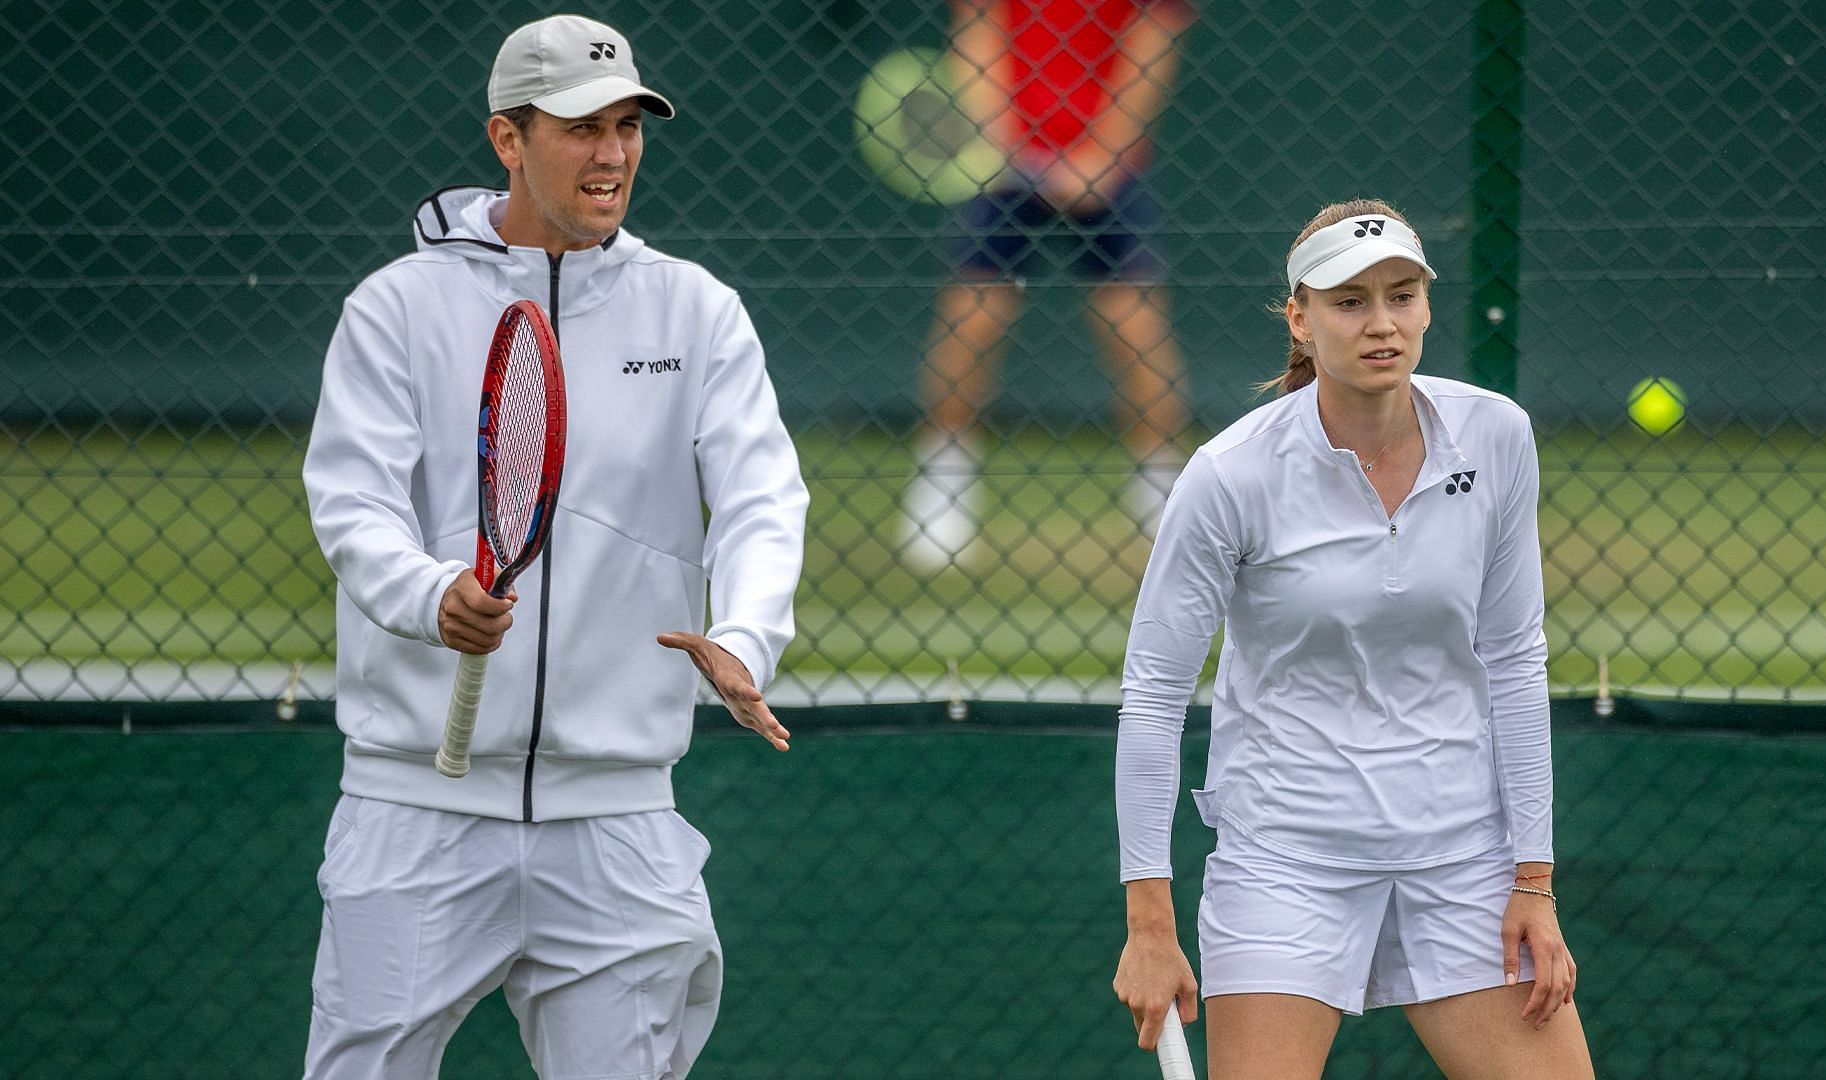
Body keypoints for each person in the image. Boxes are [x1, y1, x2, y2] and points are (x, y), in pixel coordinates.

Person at [300, 15, 808, 1078]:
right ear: (507, 139)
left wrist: (748, 639)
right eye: (581, 128)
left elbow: (764, 497)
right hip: (413, 808)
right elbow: (351, 503)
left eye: (628, 125)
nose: (613, 153)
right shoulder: (396, 308)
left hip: (620, 816)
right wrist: (430, 593)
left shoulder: (696, 310)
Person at [1110, 199, 1595, 1078]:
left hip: (1464, 859)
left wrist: (1534, 880)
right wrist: (1150, 924)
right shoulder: (1230, 475)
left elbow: (1516, 659)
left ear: (1427, 306)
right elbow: (1152, 693)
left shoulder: (1497, 434)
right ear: (1299, 318)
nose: (1382, 324)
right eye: (1349, 301)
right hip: (1286, 859)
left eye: (1402, 295)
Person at [897, 0, 1195, 569]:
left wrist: (1100, 157)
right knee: (973, 316)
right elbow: (976, 35)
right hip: (1003, 164)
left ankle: (1167, 495)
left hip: (1111, 165)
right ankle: (942, 486)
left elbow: (1154, 42)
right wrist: (1008, 145)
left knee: (1134, 325)